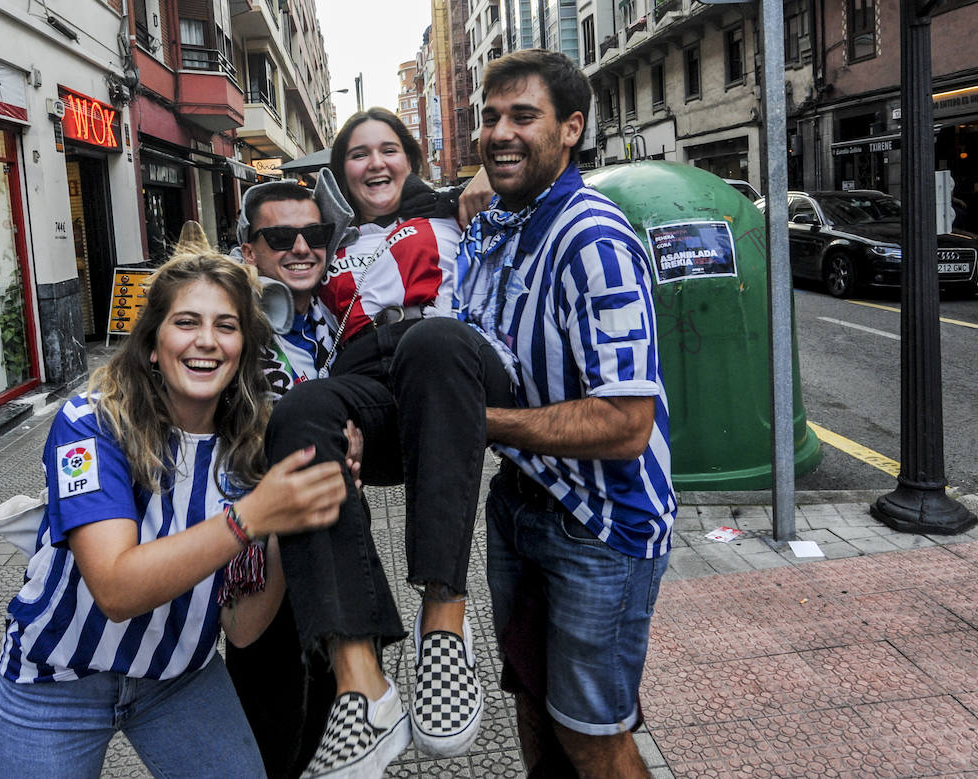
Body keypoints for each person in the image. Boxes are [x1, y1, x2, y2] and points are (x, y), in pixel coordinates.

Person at [0, 253, 349, 778]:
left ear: (243, 348)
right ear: (153, 345)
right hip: (55, 684)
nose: (206, 340)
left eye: (226, 326)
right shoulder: (89, 425)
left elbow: (242, 629)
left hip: (178, 676)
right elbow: (115, 590)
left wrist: (292, 514)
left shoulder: (253, 443)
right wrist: (251, 514)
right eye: (186, 322)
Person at [266, 108, 515, 778]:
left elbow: (528, 200)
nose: (374, 163)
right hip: (366, 380)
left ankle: (444, 624)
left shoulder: (460, 212)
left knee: (433, 341)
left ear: (412, 156)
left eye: (387, 149)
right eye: (356, 153)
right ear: (340, 171)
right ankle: (363, 686)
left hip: (448, 361)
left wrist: (488, 186)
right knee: (302, 409)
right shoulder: (329, 247)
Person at [455, 49, 675, 779]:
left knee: (591, 732)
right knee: (535, 701)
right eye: (489, 118)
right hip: (519, 506)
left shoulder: (593, 241)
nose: (500, 132)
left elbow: (625, 424)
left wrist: (481, 423)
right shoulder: (505, 227)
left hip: (598, 525)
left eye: (523, 116)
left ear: (571, 127)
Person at [225, 175, 349, 779]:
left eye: (314, 234)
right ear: (250, 250)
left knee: (324, 710)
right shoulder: (231, 322)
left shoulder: (328, 318)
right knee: (267, 717)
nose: (301, 248)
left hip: (324, 544)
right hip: (255, 551)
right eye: (280, 237)